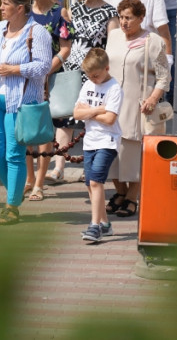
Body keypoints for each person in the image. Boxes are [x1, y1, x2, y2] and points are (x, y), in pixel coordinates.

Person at [0, 0, 52, 225]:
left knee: (14, 154)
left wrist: (16, 70)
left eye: (5, 4)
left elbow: (43, 66)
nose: (0, 8)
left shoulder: (37, 32)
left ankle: (11, 206)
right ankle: (16, 190)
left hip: (19, 101)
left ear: (20, 8)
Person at [48, 0, 119, 183]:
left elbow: (114, 44)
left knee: (91, 118)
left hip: (94, 73)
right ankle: (58, 166)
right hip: (71, 70)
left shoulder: (110, 12)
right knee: (65, 118)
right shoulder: (73, 9)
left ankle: (91, 166)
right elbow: (65, 38)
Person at [105, 0, 170, 219]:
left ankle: (133, 196)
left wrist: (152, 99)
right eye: (121, 17)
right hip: (111, 105)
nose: (123, 22)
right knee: (110, 152)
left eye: (129, 18)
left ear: (141, 18)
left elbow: (163, 76)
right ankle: (120, 192)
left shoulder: (153, 41)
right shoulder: (113, 36)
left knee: (133, 154)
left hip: (139, 106)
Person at [24, 0, 74, 201]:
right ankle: (28, 178)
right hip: (24, 78)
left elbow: (65, 48)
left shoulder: (58, 13)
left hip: (49, 77)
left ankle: (40, 184)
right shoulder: (24, 11)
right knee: (25, 130)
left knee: (44, 131)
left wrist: (46, 70)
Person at [73, 48, 123, 244]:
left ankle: (95, 226)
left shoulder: (114, 88)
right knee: (90, 185)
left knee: (96, 182)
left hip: (107, 141)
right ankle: (105, 224)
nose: (92, 79)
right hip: (90, 140)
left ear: (107, 68)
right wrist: (98, 109)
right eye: (89, 75)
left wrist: (89, 112)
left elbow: (110, 119)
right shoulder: (87, 85)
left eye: (96, 75)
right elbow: (76, 113)